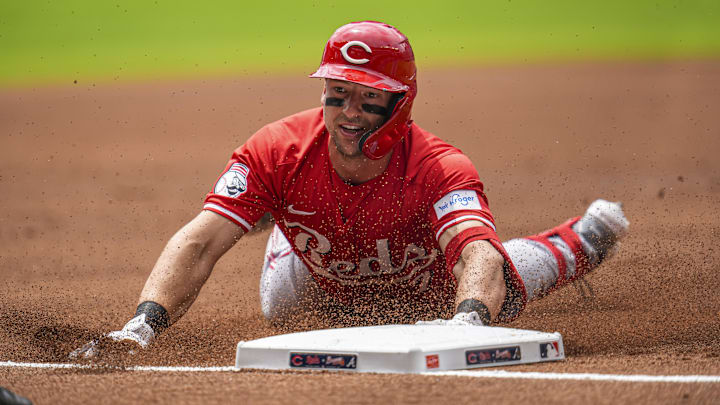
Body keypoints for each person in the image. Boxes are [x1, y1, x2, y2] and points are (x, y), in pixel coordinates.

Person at [71, 21, 628, 359]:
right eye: (338, 94)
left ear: (400, 103)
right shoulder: (278, 147)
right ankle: (277, 213)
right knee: (284, 312)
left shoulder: (439, 166)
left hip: (429, 290)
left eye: (368, 99)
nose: (348, 113)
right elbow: (198, 242)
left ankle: (581, 238)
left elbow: (474, 253)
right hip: (324, 276)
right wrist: (139, 328)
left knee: (499, 280)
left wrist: (467, 324)